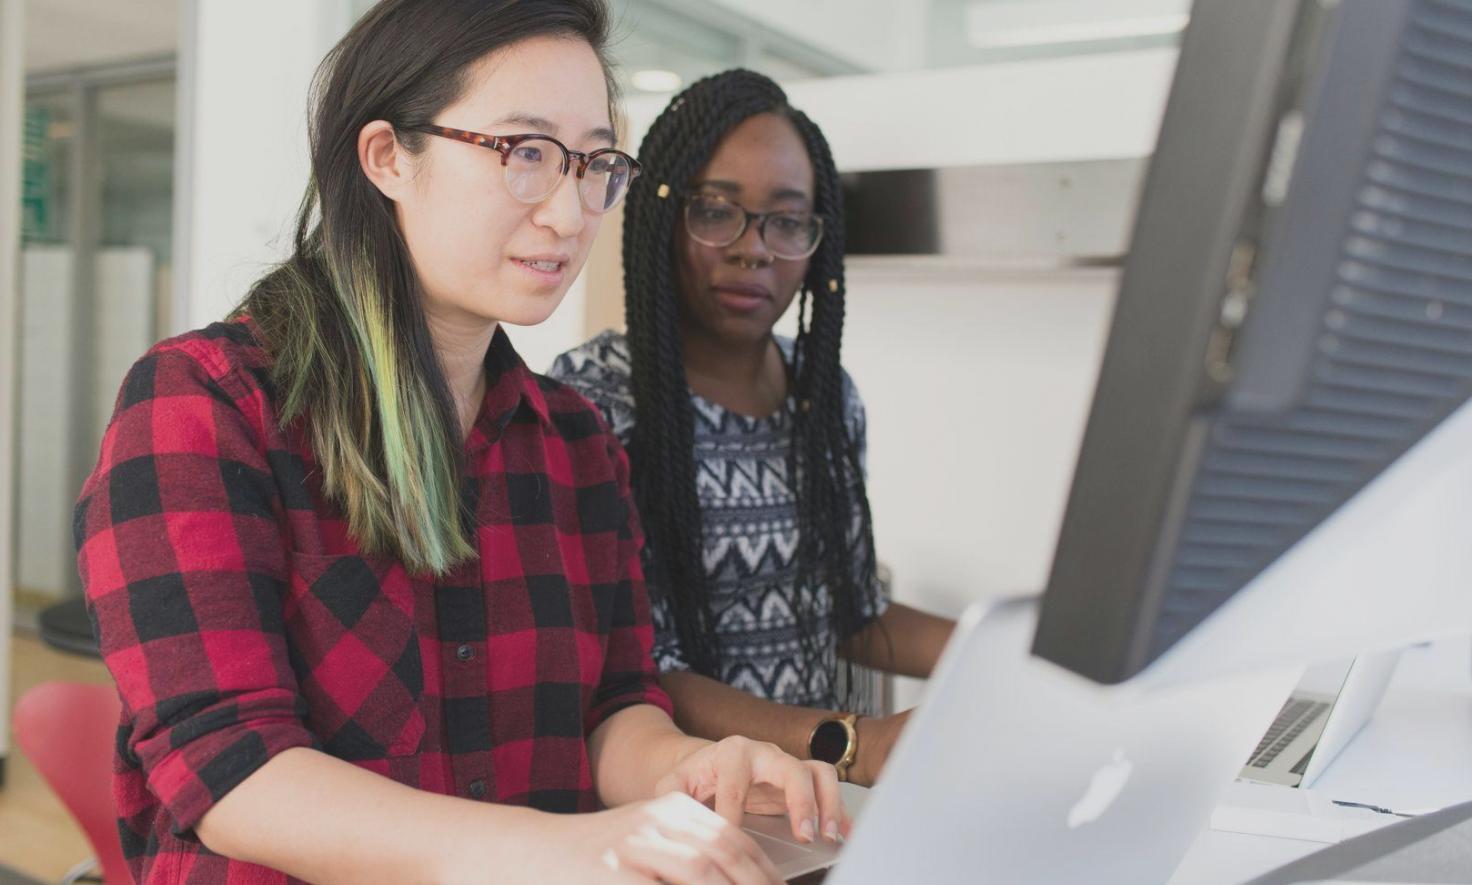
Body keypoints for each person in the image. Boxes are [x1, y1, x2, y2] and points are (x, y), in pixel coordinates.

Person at [73, 5, 843, 882]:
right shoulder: (205, 402)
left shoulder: (577, 438)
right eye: (525, 152)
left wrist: (684, 769)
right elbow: (231, 770)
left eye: (594, 163)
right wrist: (570, 845)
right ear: (388, 157)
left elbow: (614, 706)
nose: (569, 212)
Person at [550, 70, 955, 789]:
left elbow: (853, 610)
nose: (753, 248)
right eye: (716, 211)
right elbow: (637, 670)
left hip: (808, 805)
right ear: (662, 217)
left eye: (787, 221)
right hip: (673, 807)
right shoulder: (595, 402)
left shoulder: (824, 398)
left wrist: (1010, 653)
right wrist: (853, 743)